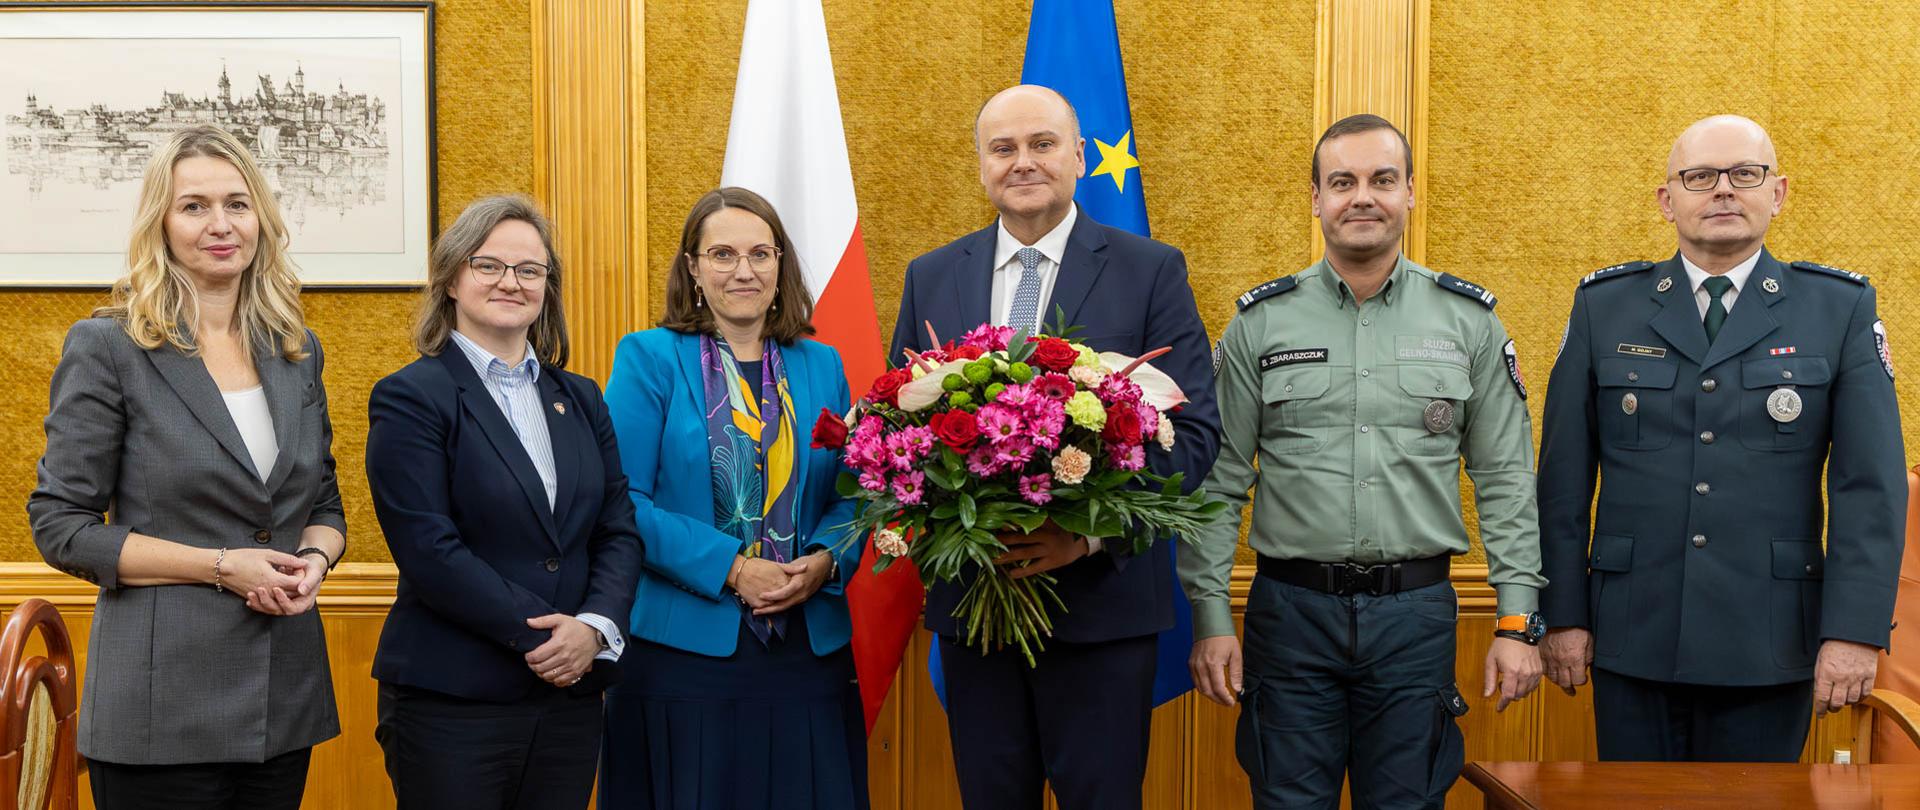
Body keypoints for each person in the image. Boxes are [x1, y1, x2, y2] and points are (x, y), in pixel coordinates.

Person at [1182, 114, 1545, 809]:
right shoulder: (1261, 323)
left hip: (1415, 616)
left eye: (1382, 180)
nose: (1362, 197)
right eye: (1342, 181)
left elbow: (1504, 480)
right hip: (1289, 616)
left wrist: (1516, 619)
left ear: (1411, 192)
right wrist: (1210, 617)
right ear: (1316, 198)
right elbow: (1219, 483)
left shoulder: (1468, 321)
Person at [887, 85, 1221, 810]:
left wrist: (1088, 536)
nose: (1023, 162)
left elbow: (1194, 438)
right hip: (977, 612)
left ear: (1077, 155)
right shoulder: (931, 275)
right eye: (1003, 148)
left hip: (1103, 616)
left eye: (1042, 144)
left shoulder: (1150, 269)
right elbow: (899, 437)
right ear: (980, 165)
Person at [1537, 115, 1906, 762]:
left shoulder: (1838, 308)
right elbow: (1563, 480)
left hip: (1769, 639)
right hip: (1633, 633)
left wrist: (1853, 632)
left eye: (1745, 174)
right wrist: (1562, 615)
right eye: (1700, 177)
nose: (1724, 191)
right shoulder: (1604, 306)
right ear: (1667, 199)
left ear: (1779, 192)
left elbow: (1868, 487)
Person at [27, 124, 345, 810]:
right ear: (161, 225)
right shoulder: (108, 345)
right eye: (193, 206)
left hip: (282, 699)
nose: (220, 224)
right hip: (159, 710)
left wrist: (313, 567)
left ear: (262, 217)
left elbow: (324, 505)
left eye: (237, 203)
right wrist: (223, 565)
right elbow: (61, 526)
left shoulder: (296, 349)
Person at [365, 194, 644, 809]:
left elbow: (617, 530)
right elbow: (429, 549)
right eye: (488, 265)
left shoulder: (582, 397)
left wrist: (594, 629)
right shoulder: (411, 397)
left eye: (529, 270)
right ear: (451, 280)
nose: (510, 282)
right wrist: (548, 638)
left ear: (548, 287)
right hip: (452, 703)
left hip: (569, 701)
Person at [600, 186, 868, 810]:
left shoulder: (821, 364)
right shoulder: (649, 358)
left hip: (807, 650)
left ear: (781, 264)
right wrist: (733, 568)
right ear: (692, 268)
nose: (743, 270)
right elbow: (622, 499)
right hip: (683, 654)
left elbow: (858, 494)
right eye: (722, 254)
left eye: (760, 253)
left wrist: (826, 560)